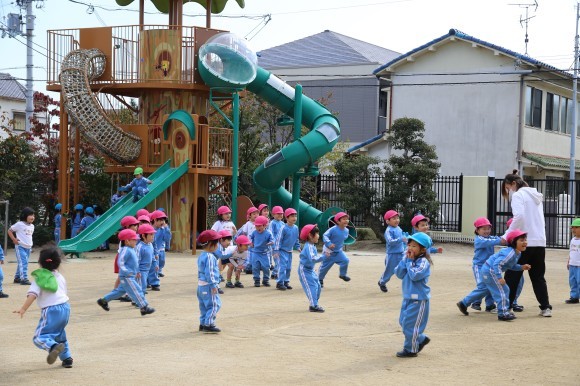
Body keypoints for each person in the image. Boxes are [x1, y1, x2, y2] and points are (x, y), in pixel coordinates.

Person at [501, 170, 552, 317]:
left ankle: (507, 306)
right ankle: (545, 307)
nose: (509, 191)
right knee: (538, 276)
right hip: (540, 241)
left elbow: (519, 216)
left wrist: (507, 235)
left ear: (514, 184)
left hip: (523, 242)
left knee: (512, 274)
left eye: (509, 187)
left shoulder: (518, 195)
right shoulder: (536, 196)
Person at [13, 244, 74, 368]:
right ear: (58, 263)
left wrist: (23, 308)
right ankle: (67, 358)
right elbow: (64, 292)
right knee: (59, 333)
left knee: (39, 337)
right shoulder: (60, 276)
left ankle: (52, 347)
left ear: (40, 263)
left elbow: (32, 295)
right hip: (65, 308)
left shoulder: (39, 279)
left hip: (51, 310)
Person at [457, 229, 531, 322]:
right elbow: (497, 264)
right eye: (521, 240)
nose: (525, 242)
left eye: (525, 240)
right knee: (504, 290)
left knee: (483, 289)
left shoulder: (517, 253)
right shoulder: (510, 253)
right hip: (490, 271)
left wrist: (521, 267)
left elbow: (510, 265)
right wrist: (499, 278)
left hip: (486, 269)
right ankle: (503, 313)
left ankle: (463, 303)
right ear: (513, 242)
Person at [97, 229, 155, 316]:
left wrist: (136, 271)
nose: (136, 241)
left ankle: (103, 301)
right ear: (127, 241)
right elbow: (120, 262)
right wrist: (126, 271)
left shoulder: (131, 249)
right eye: (134, 239)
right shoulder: (125, 250)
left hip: (129, 276)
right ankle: (144, 307)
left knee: (119, 292)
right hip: (127, 277)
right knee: (137, 290)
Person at [394, 232, 433, 358]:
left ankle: (411, 349)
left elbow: (415, 276)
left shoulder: (423, 262)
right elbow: (399, 274)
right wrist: (405, 260)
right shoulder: (408, 259)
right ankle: (421, 338)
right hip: (407, 298)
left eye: (414, 246)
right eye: (409, 245)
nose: (410, 248)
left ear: (423, 249)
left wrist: (410, 262)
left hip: (419, 299)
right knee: (403, 322)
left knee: (410, 325)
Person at [469, 217, 504, 312]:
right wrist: (501, 241)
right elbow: (493, 241)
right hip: (479, 266)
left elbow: (497, 239)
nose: (487, 231)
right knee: (482, 284)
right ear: (477, 230)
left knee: (490, 284)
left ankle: (490, 305)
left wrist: (506, 239)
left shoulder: (490, 238)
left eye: (488, 228)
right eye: (484, 229)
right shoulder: (479, 239)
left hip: (489, 266)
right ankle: (476, 302)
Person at [197, 230, 223, 333]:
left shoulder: (202, 255)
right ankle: (208, 323)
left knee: (204, 306)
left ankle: (203, 323)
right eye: (216, 243)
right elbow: (210, 272)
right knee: (215, 304)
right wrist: (213, 285)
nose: (217, 245)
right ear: (211, 244)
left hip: (201, 286)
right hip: (208, 285)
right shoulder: (210, 257)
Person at [298, 224, 327, 312]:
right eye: (317, 233)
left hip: (310, 269)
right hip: (304, 270)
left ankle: (315, 302)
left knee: (317, 285)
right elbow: (313, 258)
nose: (318, 235)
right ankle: (313, 305)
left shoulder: (312, 246)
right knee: (311, 286)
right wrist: (323, 256)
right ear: (310, 235)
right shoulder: (308, 246)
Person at [318, 212, 351, 287]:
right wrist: (329, 244)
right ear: (338, 221)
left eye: (347, 219)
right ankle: (319, 279)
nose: (346, 221)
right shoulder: (332, 229)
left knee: (345, 260)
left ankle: (342, 275)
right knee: (324, 267)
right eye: (344, 219)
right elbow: (325, 236)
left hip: (338, 251)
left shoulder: (346, 230)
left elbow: (342, 239)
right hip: (328, 252)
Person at [378, 210, 407, 293]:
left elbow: (403, 239)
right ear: (387, 221)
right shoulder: (388, 231)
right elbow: (390, 241)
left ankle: (408, 285)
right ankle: (382, 282)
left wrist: (407, 242)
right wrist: (401, 239)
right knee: (390, 271)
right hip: (392, 255)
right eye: (394, 218)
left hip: (401, 253)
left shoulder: (399, 228)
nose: (397, 220)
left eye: (397, 218)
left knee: (404, 268)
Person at [273, 208, 300, 291]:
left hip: (289, 251)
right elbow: (278, 239)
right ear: (287, 218)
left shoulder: (296, 228)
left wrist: (298, 246)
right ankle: (279, 282)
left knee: (288, 268)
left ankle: (286, 282)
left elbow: (296, 238)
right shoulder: (283, 228)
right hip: (282, 251)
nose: (294, 218)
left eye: (295, 216)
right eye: (292, 216)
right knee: (282, 267)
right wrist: (276, 250)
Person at [9, 207, 35, 285]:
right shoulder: (19, 224)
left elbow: (28, 237)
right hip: (20, 247)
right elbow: (10, 230)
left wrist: (30, 246)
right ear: (24, 215)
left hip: (28, 248)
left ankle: (17, 278)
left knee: (22, 262)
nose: (32, 217)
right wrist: (14, 239)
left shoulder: (32, 226)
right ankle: (24, 279)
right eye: (30, 215)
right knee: (24, 262)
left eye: (33, 215)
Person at [250, 215, 275, 287]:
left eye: (259, 226)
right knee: (255, 267)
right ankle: (256, 280)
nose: (257, 228)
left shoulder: (268, 233)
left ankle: (266, 280)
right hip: (256, 252)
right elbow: (251, 238)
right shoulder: (254, 232)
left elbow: (272, 240)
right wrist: (251, 243)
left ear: (265, 225)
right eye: (256, 226)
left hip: (265, 253)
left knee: (266, 267)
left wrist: (271, 242)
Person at [236, 206, 259, 274]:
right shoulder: (248, 224)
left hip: (256, 243)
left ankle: (253, 267)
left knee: (255, 255)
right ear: (249, 216)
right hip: (248, 243)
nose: (256, 215)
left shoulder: (258, 224)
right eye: (254, 214)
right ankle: (247, 267)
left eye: (257, 213)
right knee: (248, 255)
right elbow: (244, 233)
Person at [148, 210, 167, 290]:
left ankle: (155, 283)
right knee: (147, 267)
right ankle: (147, 282)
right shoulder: (149, 230)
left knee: (155, 267)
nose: (163, 222)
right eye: (161, 220)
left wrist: (167, 229)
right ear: (155, 220)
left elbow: (167, 238)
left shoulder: (162, 229)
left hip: (157, 251)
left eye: (163, 220)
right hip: (148, 251)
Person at [136, 224, 156, 295]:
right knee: (141, 286)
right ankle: (139, 301)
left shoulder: (150, 244)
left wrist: (155, 264)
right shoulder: (140, 247)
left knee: (143, 286)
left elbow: (152, 256)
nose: (152, 236)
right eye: (151, 235)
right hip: (141, 271)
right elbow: (137, 261)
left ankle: (138, 300)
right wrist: (137, 271)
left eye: (153, 234)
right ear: (143, 236)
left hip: (147, 270)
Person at [213, 230, 233, 294]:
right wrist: (232, 254)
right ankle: (216, 287)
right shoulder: (217, 246)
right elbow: (221, 256)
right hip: (209, 262)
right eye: (228, 240)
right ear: (221, 240)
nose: (229, 243)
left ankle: (216, 287)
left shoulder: (220, 246)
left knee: (215, 275)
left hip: (212, 262)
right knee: (215, 275)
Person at [565, 218, 580, 304]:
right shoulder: (573, 240)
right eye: (572, 228)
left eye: (576, 227)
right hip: (572, 265)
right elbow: (571, 251)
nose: (573, 230)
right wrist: (568, 261)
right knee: (572, 281)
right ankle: (574, 297)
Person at [269, 206, 285, 280]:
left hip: (281, 246)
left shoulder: (282, 223)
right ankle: (275, 273)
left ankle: (275, 273)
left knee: (281, 260)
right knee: (277, 260)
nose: (280, 215)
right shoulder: (272, 223)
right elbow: (271, 233)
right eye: (278, 214)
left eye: (281, 214)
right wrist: (273, 243)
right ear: (273, 214)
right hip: (275, 246)